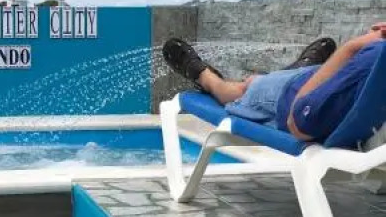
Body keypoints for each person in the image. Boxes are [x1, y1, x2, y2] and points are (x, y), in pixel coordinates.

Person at [162, 23, 386, 143]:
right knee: (270, 79)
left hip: (289, 93)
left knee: (245, 88)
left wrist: (352, 48)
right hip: (313, 78)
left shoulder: (376, 58)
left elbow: (298, 123)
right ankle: (298, 67)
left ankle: (204, 76)